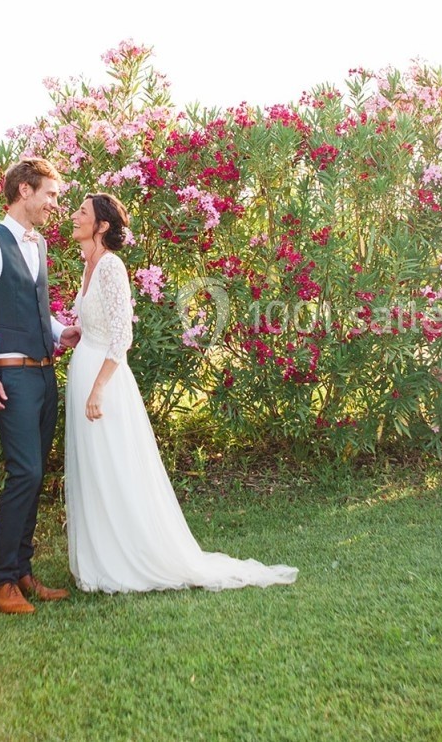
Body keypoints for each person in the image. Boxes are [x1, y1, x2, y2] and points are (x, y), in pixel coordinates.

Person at [64, 192, 297, 593]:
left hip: (104, 383)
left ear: (101, 226)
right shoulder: (89, 265)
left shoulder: (111, 267)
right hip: (84, 368)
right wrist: (76, 334)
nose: (73, 216)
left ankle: (128, 558)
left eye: (81, 213)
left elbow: (123, 336)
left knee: (115, 469)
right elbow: (100, 326)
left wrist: (98, 388)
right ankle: (100, 556)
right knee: (94, 469)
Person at [0, 158, 82, 615]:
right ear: (25, 190)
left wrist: (59, 331)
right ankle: (2, 581)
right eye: (50, 194)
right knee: (25, 472)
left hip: (44, 371)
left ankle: (23, 571)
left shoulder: (39, 245)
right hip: (9, 374)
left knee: (36, 476)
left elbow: (31, 302)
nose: (55, 203)